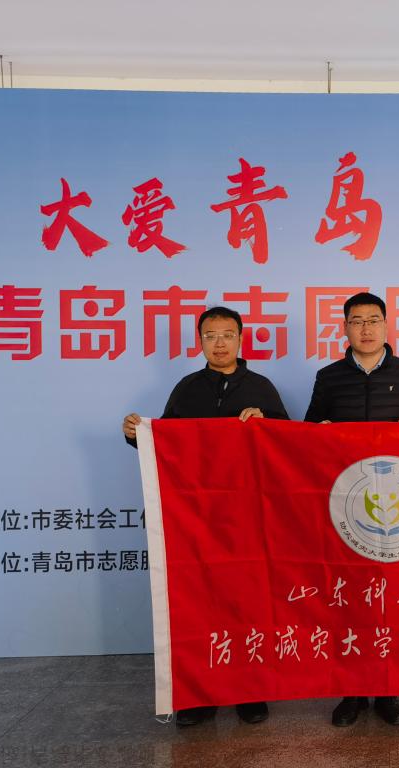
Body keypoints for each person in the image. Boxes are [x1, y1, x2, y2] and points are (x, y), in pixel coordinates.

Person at [122, 306, 289, 727]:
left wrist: (266, 423)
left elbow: (289, 444)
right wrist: (137, 435)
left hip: (246, 518)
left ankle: (250, 692)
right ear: (200, 342)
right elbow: (166, 444)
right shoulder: (187, 388)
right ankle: (199, 694)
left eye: (227, 334)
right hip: (195, 520)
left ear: (240, 339)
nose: (219, 343)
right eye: (211, 335)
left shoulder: (262, 388)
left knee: (248, 603)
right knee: (197, 605)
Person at [304, 291, 399, 726]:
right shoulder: (329, 377)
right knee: (349, 599)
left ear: (386, 325)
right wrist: (321, 431)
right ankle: (352, 692)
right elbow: (306, 434)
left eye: (373, 320)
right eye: (357, 321)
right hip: (346, 505)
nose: (366, 329)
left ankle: (388, 691)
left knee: (392, 601)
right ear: (344, 328)